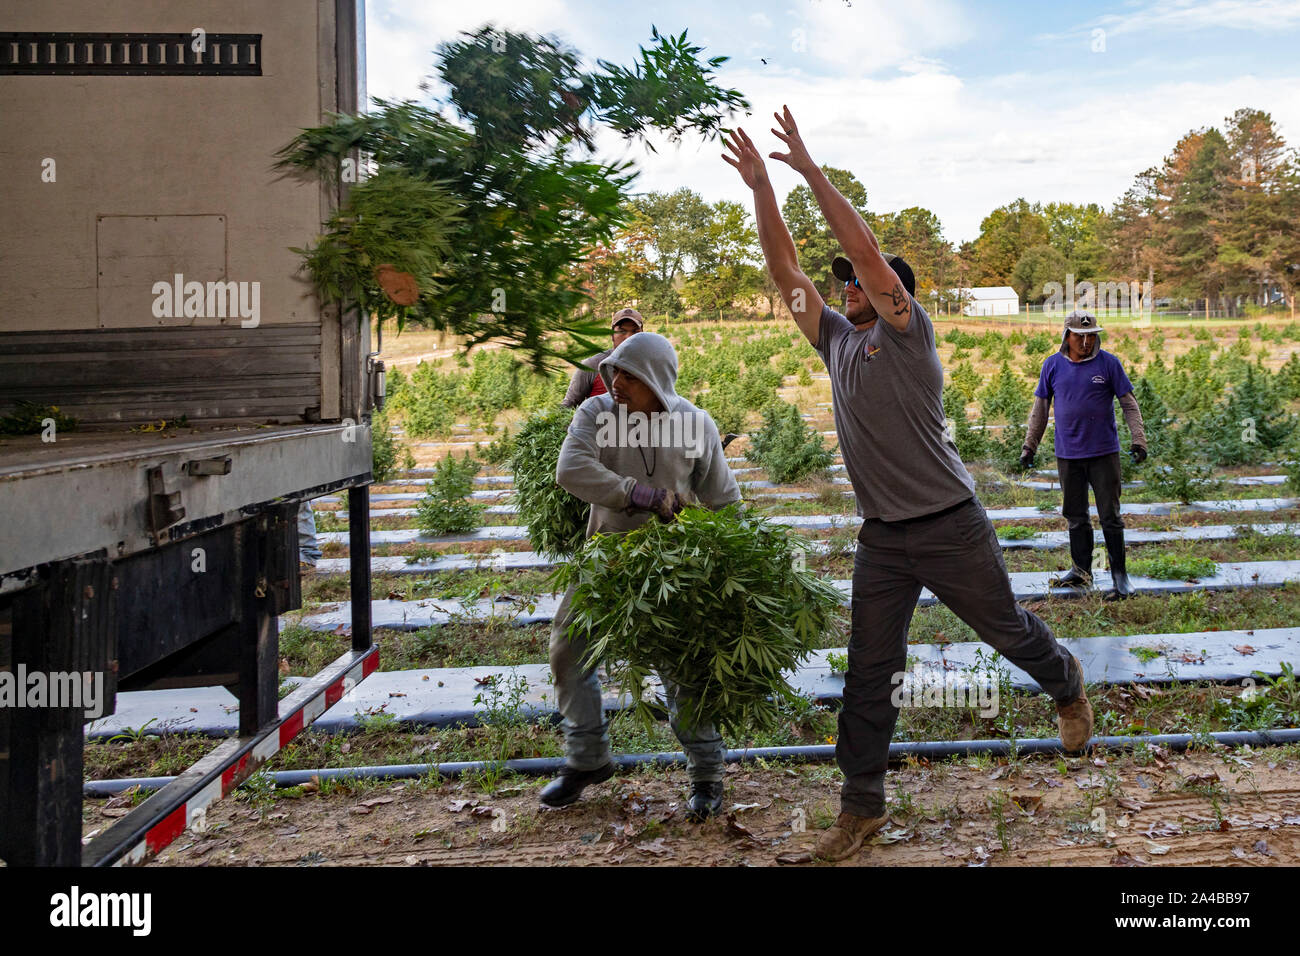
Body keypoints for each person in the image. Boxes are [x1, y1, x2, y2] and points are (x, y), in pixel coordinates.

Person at [722, 108, 1092, 862]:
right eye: (847, 283)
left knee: (1005, 631)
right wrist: (763, 189)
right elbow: (785, 271)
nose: (848, 285)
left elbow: (862, 248)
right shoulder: (834, 342)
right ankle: (861, 810)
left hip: (951, 524)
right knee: (869, 672)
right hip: (883, 540)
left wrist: (808, 170)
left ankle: (1065, 680)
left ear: (895, 294)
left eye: (860, 279)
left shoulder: (908, 332)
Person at [542, 331, 741, 821]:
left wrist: (729, 561)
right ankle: (588, 757)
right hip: (606, 556)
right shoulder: (596, 414)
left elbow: (723, 499)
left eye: (629, 374)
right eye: (614, 371)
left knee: (682, 671)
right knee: (569, 649)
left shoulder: (695, 423)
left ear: (656, 380)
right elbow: (571, 469)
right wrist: (639, 494)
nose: (616, 382)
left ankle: (707, 774)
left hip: (672, 562)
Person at [1020, 311, 1148, 600]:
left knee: (1110, 516)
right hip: (1069, 456)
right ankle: (1081, 572)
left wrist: (1139, 440)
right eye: (1080, 336)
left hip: (1104, 454)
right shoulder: (1052, 366)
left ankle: (1120, 577)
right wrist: (1030, 446)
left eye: (1091, 336)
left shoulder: (1109, 364)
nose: (1087, 342)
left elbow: (1129, 404)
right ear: (1067, 335)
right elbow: (1040, 409)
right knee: (1076, 516)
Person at [561, 307, 644, 408]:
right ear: (612, 334)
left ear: (643, 334)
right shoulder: (591, 366)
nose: (629, 337)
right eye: (622, 331)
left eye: (635, 332)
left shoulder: (652, 365)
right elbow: (567, 406)